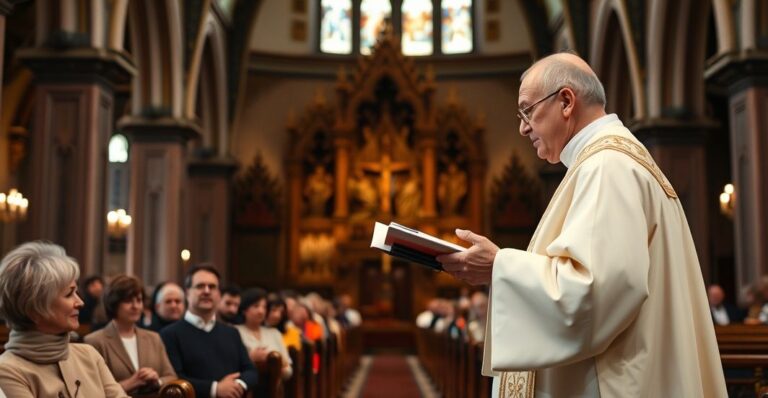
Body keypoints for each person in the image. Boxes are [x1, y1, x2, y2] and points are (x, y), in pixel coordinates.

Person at [436, 53, 726, 397]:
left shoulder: (607, 167)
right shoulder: (614, 160)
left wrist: (499, 266)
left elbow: (593, 291)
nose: (523, 127)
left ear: (566, 101)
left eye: (527, 111)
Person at [0, 241, 128, 397]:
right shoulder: (7, 371)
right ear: (34, 309)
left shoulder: (88, 355)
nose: (80, 302)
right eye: (69, 294)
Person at [160, 264, 257, 398]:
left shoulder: (231, 333)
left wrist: (238, 385)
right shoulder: (169, 334)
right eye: (200, 286)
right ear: (187, 292)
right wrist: (215, 389)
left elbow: (250, 370)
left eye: (212, 287)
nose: (206, 291)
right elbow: (175, 377)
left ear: (219, 294)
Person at [84, 275, 176, 396]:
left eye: (139, 300)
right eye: (128, 301)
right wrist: (130, 383)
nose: (135, 306)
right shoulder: (94, 341)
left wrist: (157, 381)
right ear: (114, 303)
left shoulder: (154, 337)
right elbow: (92, 390)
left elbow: (172, 377)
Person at [235, 288, 292, 380]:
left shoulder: (274, 333)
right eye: (256, 306)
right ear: (244, 310)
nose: (261, 311)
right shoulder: (235, 332)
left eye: (264, 307)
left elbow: (288, 369)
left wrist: (278, 368)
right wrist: (250, 358)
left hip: (274, 387)